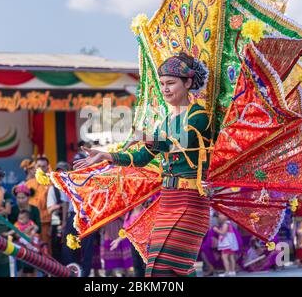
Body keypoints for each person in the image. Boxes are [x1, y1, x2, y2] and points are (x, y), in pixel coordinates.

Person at [74, 52, 212, 277]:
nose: (165, 89)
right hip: (168, 200)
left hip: (190, 200)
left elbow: (182, 144)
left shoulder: (199, 116)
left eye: (171, 83)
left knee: (164, 267)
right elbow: (141, 158)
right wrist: (105, 156)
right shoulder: (165, 121)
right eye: (162, 84)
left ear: (188, 83)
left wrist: (147, 137)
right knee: (164, 268)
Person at [8, 184, 42, 277]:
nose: (20, 200)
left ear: (28, 197)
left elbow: (39, 227)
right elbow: (10, 227)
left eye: (23, 197)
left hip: (33, 243)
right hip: (19, 243)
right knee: (20, 268)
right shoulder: (14, 210)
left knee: (32, 266)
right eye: (18, 198)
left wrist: (31, 232)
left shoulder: (34, 210)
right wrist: (19, 235)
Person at [26, 156, 52, 254]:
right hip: (31, 224)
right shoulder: (28, 184)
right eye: (39, 166)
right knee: (31, 250)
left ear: (47, 167)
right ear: (35, 168)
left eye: (43, 166)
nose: (41, 169)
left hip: (46, 223)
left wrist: (52, 226)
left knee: (46, 250)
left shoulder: (52, 184)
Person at [47, 162, 68, 263]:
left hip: (72, 219)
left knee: (71, 248)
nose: (61, 174)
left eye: (64, 171)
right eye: (59, 171)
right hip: (57, 221)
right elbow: (50, 209)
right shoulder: (53, 188)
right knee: (56, 247)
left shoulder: (74, 186)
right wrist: (61, 206)